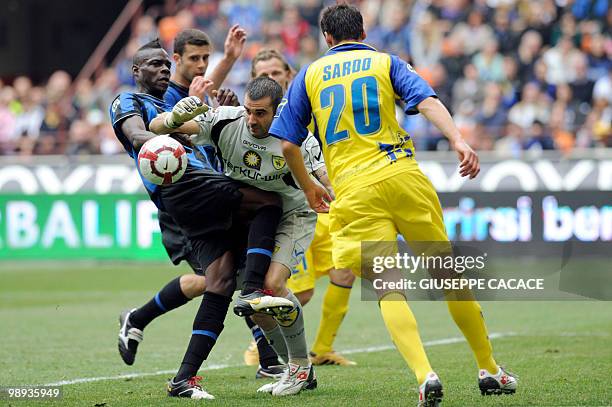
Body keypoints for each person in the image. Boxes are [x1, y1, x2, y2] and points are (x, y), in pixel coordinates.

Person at [269, 4, 518, 407]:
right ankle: (489, 368)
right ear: (363, 32)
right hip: (402, 176)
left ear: (326, 37)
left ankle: (426, 375)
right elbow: (428, 100)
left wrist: (311, 185)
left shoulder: (310, 75)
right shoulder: (386, 62)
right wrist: (457, 140)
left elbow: (287, 143)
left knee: (389, 287)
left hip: (354, 190)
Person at [109, 39, 292, 400]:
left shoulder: (174, 100)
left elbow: (201, 98)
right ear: (136, 72)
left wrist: (216, 111)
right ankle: (263, 328)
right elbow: (136, 134)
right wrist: (170, 140)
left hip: (203, 192)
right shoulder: (129, 101)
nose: (163, 70)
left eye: (166, 65)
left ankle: (184, 378)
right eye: (154, 65)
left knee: (221, 280)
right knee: (266, 205)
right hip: (184, 188)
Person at [149, 76, 326, 396]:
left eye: (260, 114)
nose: (251, 120)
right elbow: (156, 127)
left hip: (292, 216)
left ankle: (298, 367)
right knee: (257, 304)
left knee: (272, 286)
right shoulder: (225, 122)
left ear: (278, 111)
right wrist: (175, 117)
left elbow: (322, 177)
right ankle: (300, 370)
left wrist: (332, 190)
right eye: (248, 111)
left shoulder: (298, 136)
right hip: (247, 217)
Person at [247, 49, 357, 367]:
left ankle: (323, 348)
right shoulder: (256, 119)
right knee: (300, 292)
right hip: (293, 209)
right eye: (262, 75)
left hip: (324, 201)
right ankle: (264, 345)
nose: (270, 78)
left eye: (275, 73)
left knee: (345, 270)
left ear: (289, 74)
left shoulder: (306, 104)